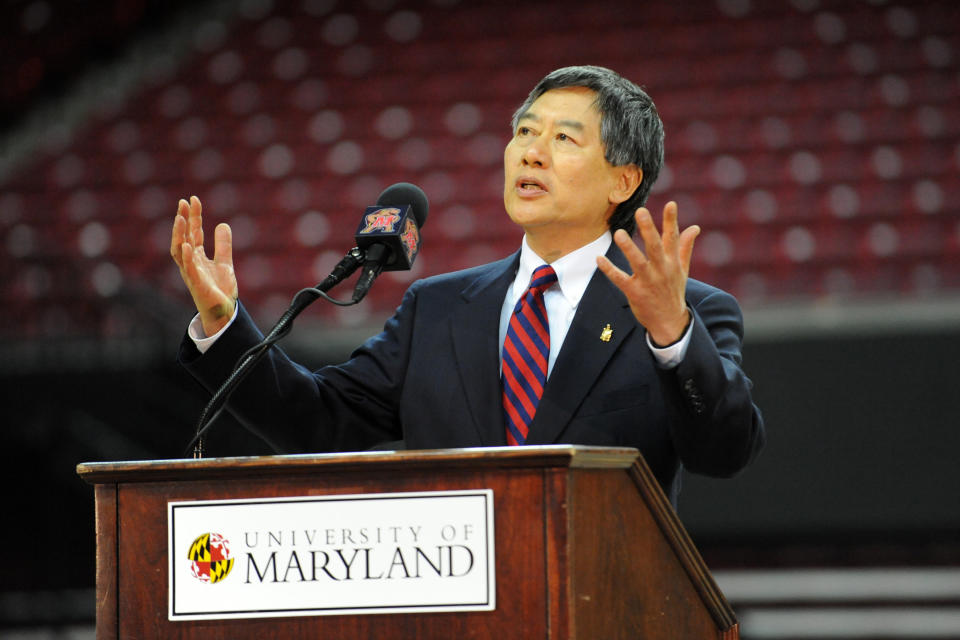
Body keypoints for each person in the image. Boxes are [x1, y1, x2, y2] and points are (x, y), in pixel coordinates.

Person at [172, 65, 764, 505]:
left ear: (623, 180)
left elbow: (724, 451)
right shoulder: (438, 307)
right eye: (525, 133)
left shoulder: (688, 313)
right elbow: (315, 421)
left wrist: (671, 335)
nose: (531, 153)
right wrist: (225, 321)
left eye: (563, 139)